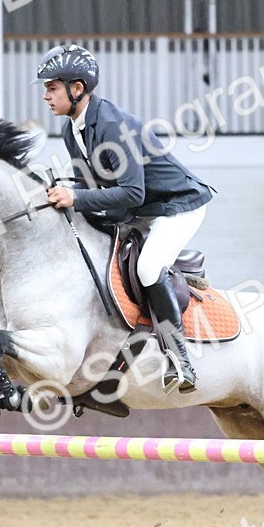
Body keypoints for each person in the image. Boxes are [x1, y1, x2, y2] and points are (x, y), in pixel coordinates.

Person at [36, 44, 214, 394]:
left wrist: (76, 197)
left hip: (178, 205)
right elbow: (90, 188)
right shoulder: (71, 130)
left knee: (148, 268)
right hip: (139, 210)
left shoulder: (113, 125)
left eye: (52, 87)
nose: (45, 95)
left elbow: (130, 192)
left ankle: (180, 359)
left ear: (77, 88)